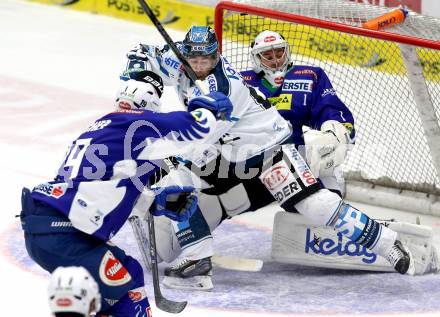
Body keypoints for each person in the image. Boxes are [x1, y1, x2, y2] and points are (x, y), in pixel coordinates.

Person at [122, 26, 413, 291]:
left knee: (316, 204)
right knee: (179, 186)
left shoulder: (223, 89)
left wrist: (163, 158)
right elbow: (142, 54)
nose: (199, 66)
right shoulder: (182, 60)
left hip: (270, 150)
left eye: (206, 60)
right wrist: (143, 82)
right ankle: (198, 262)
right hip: (231, 153)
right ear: (185, 55)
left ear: (216, 57)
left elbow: (199, 135)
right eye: (194, 60)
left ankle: (387, 243)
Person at [19, 70, 233, 315]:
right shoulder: (136, 123)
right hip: (66, 234)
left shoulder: (101, 130)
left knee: (128, 271)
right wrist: (208, 108)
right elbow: (197, 128)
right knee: (125, 301)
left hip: (55, 227)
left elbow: (108, 183)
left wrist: (153, 202)